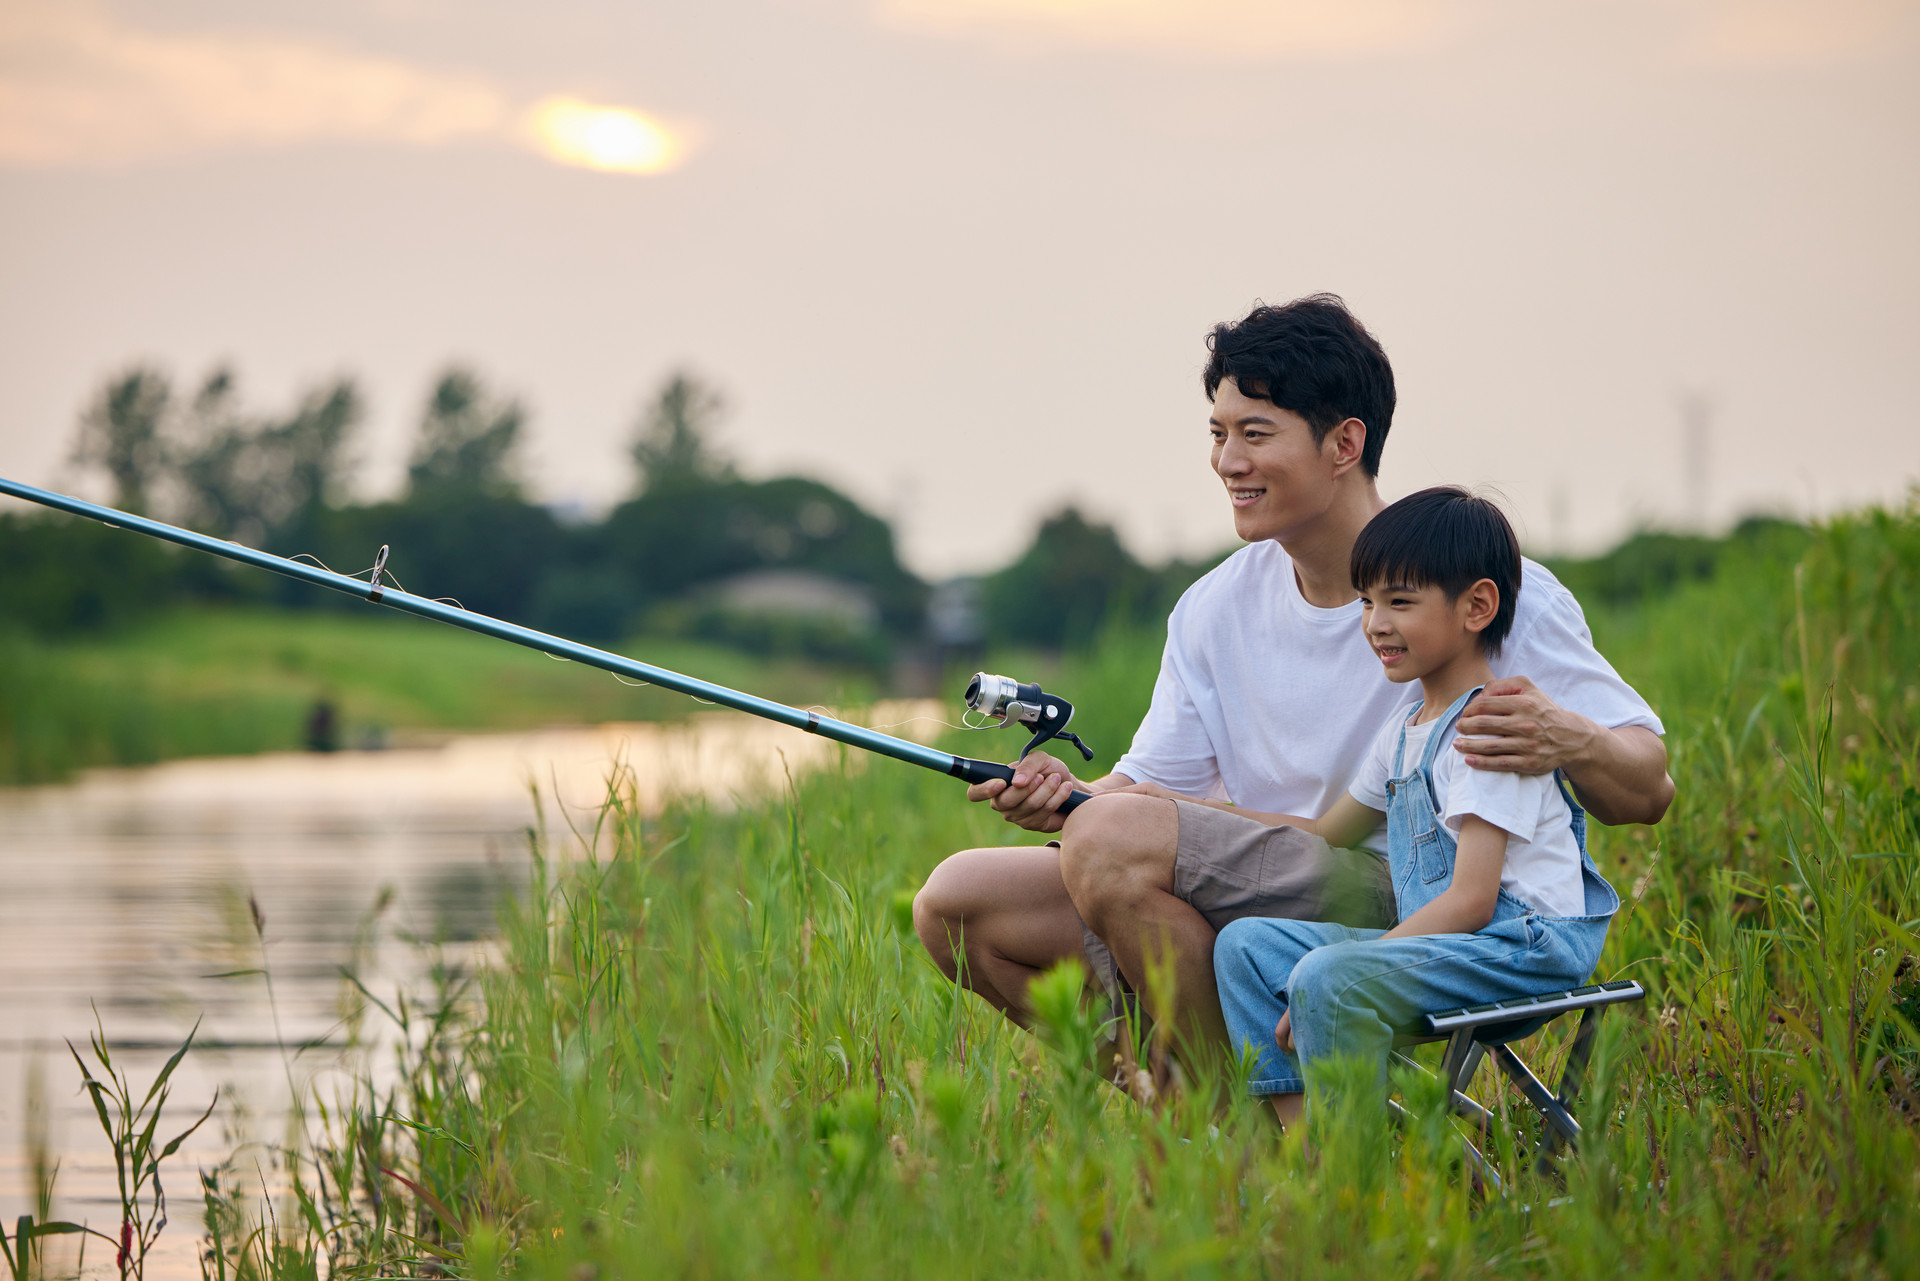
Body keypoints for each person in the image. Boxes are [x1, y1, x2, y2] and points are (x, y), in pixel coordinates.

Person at [912, 294, 1671, 1055]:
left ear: (1344, 444)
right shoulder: (1212, 608)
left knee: (1110, 837)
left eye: (1255, 433)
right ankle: (1201, 1112)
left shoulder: (1489, 588)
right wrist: (1061, 793)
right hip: (1264, 873)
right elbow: (1140, 790)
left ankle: (1230, 1149)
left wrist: (1567, 736)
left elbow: (1648, 788)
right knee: (955, 901)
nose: (1227, 461)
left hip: (1421, 896)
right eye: (1217, 433)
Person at [1209, 486, 1618, 1128]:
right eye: (1367, 601)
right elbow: (1325, 831)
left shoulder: (1489, 729)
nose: (1375, 623)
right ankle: (1302, 1152)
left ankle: (1353, 1181)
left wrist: (1343, 969)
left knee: (1327, 977)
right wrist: (1182, 807)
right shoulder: (1405, 731)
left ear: (1477, 606)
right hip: (1456, 943)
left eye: (1401, 601)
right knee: (1247, 946)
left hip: (1523, 945)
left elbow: (1473, 900)